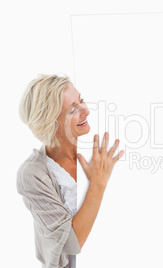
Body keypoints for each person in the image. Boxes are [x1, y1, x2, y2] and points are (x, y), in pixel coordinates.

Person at [17, 74, 124, 268]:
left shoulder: (96, 153)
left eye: (81, 100)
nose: (87, 111)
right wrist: (98, 183)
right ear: (50, 123)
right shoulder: (32, 175)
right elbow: (70, 244)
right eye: (73, 109)